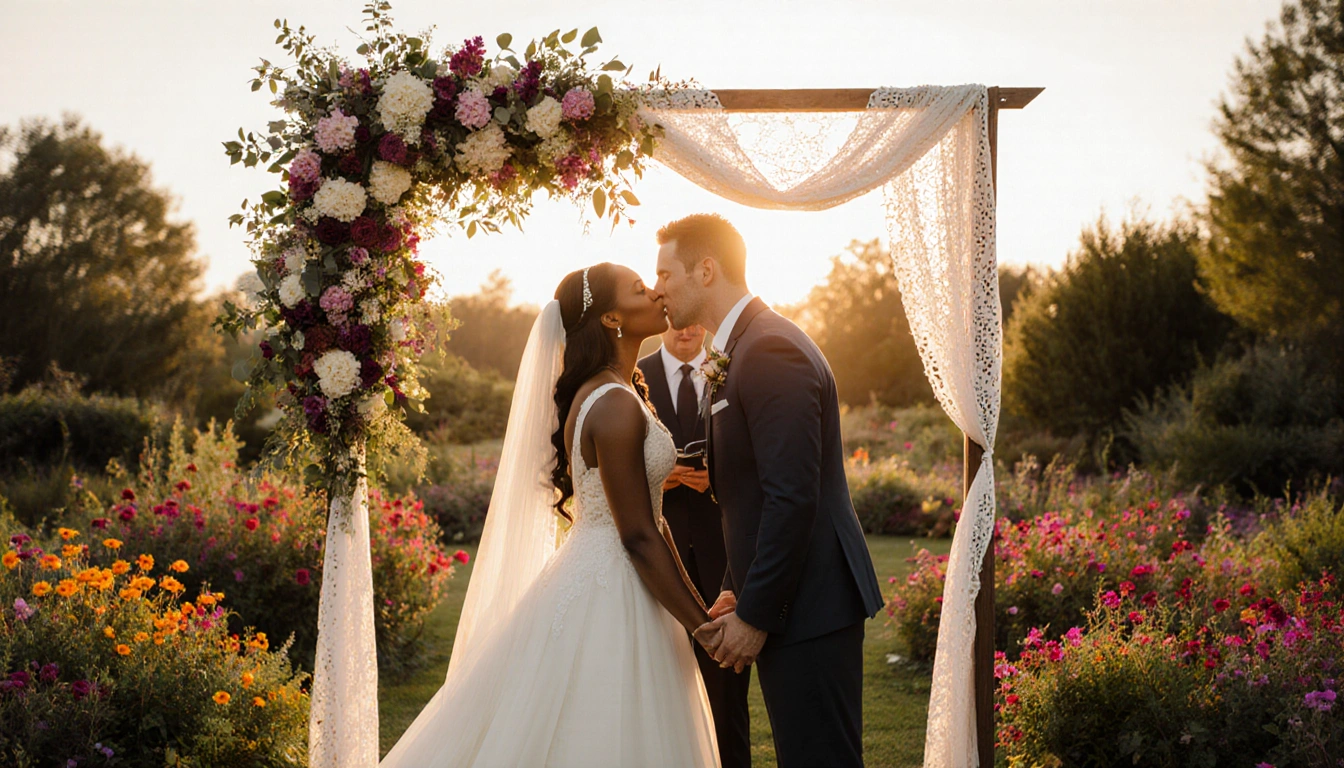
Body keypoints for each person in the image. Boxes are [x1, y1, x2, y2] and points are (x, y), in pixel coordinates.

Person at [380, 263, 721, 768]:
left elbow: (654, 520)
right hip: (615, 587)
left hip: (615, 576)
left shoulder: (617, 392)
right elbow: (638, 535)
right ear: (611, 318)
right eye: (638, 289)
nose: (655, 293)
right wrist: (703, 628)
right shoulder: (613, 404)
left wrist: (700, 612)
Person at [653, 214, 885, 768]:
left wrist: (754, 614)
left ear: (706, 270)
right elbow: (748, 494)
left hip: (811, 606)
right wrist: (735, 587)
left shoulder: (770, 351)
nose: (656, 287)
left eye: (665, 272)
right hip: (790, 599)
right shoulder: (739, 348)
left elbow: (792, 496)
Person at [638, 324, 752, 768]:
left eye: (693, 322)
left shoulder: (732, 369)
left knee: (726, 699)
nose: (685, 330)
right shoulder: (632, 374)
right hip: (656, 565)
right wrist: (654, 478)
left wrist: (718, 476)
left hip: (723, 558)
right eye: (673, 321)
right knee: (656, 688)